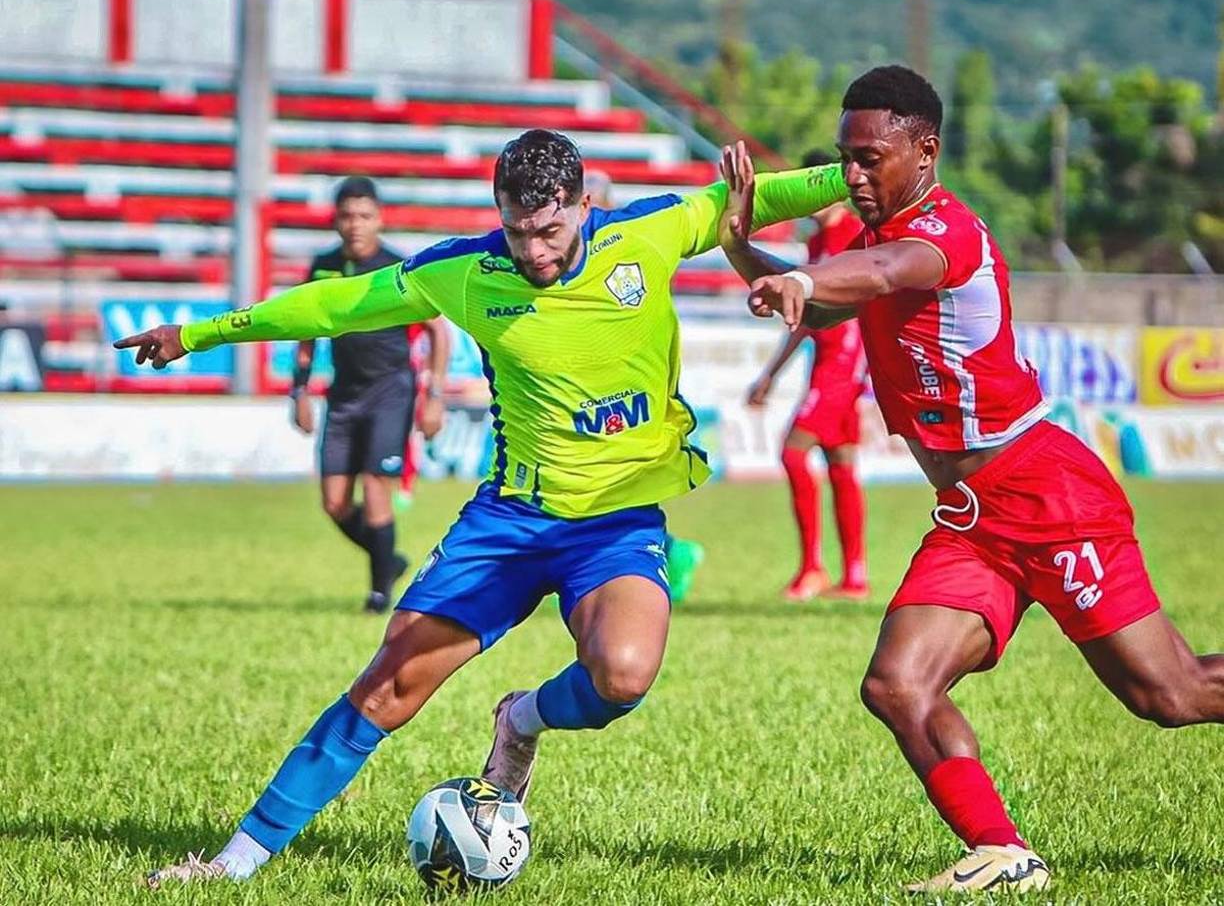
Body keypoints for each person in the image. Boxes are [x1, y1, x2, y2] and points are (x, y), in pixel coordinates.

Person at [116, 128, 850, 886]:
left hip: (615, 523)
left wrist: (869, 178)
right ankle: (234, 863)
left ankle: (520, 718)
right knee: (389, 686)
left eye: (549, 231)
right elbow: (334, 305)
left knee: (623, 676)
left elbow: (769, 195)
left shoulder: (649, 233)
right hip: (510, 524)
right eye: (517, 230)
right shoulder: (466, 271)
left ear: (584, 206)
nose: (532, 250)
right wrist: (197, 334)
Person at [719, 65, 1224, 893]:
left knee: (1170, 695)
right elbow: (828, 305)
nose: (852, 175)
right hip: (972, 514)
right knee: (897, 684)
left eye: (869, 158)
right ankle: (1002, 853)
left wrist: (805, 277)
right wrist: (744, 247)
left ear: (925, 152)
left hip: (1047, 493)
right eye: (845, 158)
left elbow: (882, 277)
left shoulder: (941, 233)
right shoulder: (879, 235)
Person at [291, 176, 450, 613]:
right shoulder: (323, 267)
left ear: (379, 219)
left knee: (377, 487)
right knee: (334, 502)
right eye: (347, 216)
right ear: (336, 220)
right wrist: (299, 391)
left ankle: (379, 594)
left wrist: (435, 396)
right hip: (343, 396)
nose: (355, 224)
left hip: (390, 393)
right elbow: (305, 331)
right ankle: (389, 561)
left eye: (364, 216)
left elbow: (438, 331)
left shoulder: (397, 269)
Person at [746, 150, 869, 601]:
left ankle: (813, 568)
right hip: (827, 360)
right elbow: (807, 314)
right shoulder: (817, 243)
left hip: (845, 360)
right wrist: (772, 374)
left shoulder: (854, 234)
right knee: (840, 463)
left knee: (794, 452)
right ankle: (854, 576)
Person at [583, 168, 706, 603]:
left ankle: (667, 554)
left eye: (594, 203)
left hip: (627, 391)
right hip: (589, 390)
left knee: (614, 484)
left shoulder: (628, 251)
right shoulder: (572, 260)